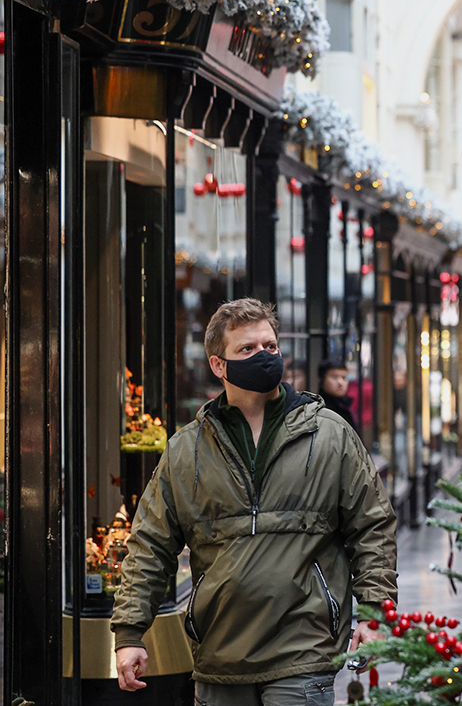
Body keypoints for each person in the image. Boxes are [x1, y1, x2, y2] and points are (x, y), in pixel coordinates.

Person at [111, 299, 398, 705]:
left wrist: (375, 611)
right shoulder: (186, 451)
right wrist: (129, 632)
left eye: (270, 346)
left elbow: (372, 527)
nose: (264, 356)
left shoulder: (330, 434)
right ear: (218, 365)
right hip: (220, 655)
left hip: (303, 651)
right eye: (247, 350)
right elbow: (150, 546)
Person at [318, 357, 360, 433]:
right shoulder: (318, 409)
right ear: (321, 380)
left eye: (344, 378)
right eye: (334, 377)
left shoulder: (346, 407)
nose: (340, 382)